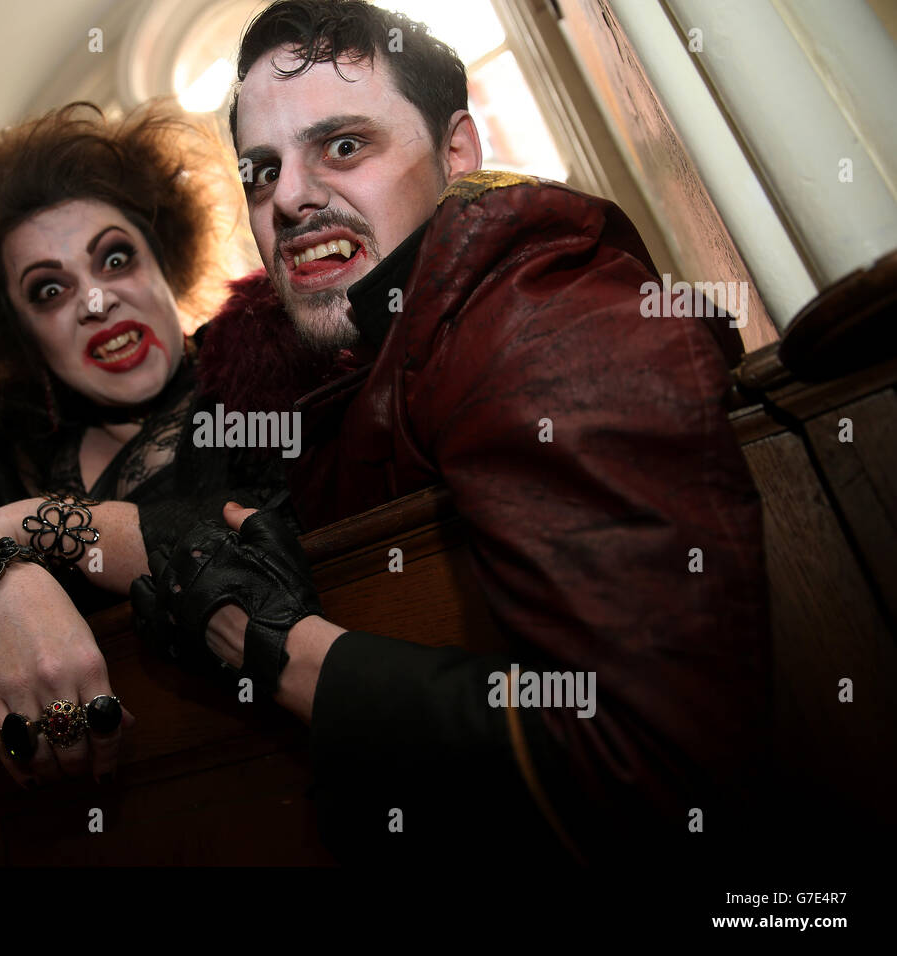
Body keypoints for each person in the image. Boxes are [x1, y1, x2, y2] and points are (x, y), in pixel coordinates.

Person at [132, 0, 771, 868]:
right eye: (260, 171)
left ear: (459, 152)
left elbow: (656, 766)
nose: (288, 198)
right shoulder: (388, 353)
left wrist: (273, 649)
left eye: (344, 146)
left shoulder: (539, 315)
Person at [0, 102, 289, 789]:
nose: (95, 302)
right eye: (49, 289)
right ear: (23, 335)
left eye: (116, 258)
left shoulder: (270, 379)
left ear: (163, 262)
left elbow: (278, 562)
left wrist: (28, 531)